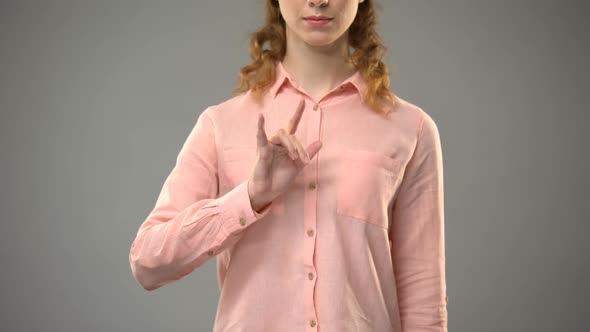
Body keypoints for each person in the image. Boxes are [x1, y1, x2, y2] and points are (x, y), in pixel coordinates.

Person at [128, 0, 448, 331]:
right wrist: (250, 197)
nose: (318, 0)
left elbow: (423, 296)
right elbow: (148, 264)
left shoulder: (411, 128)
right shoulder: (220, 124)